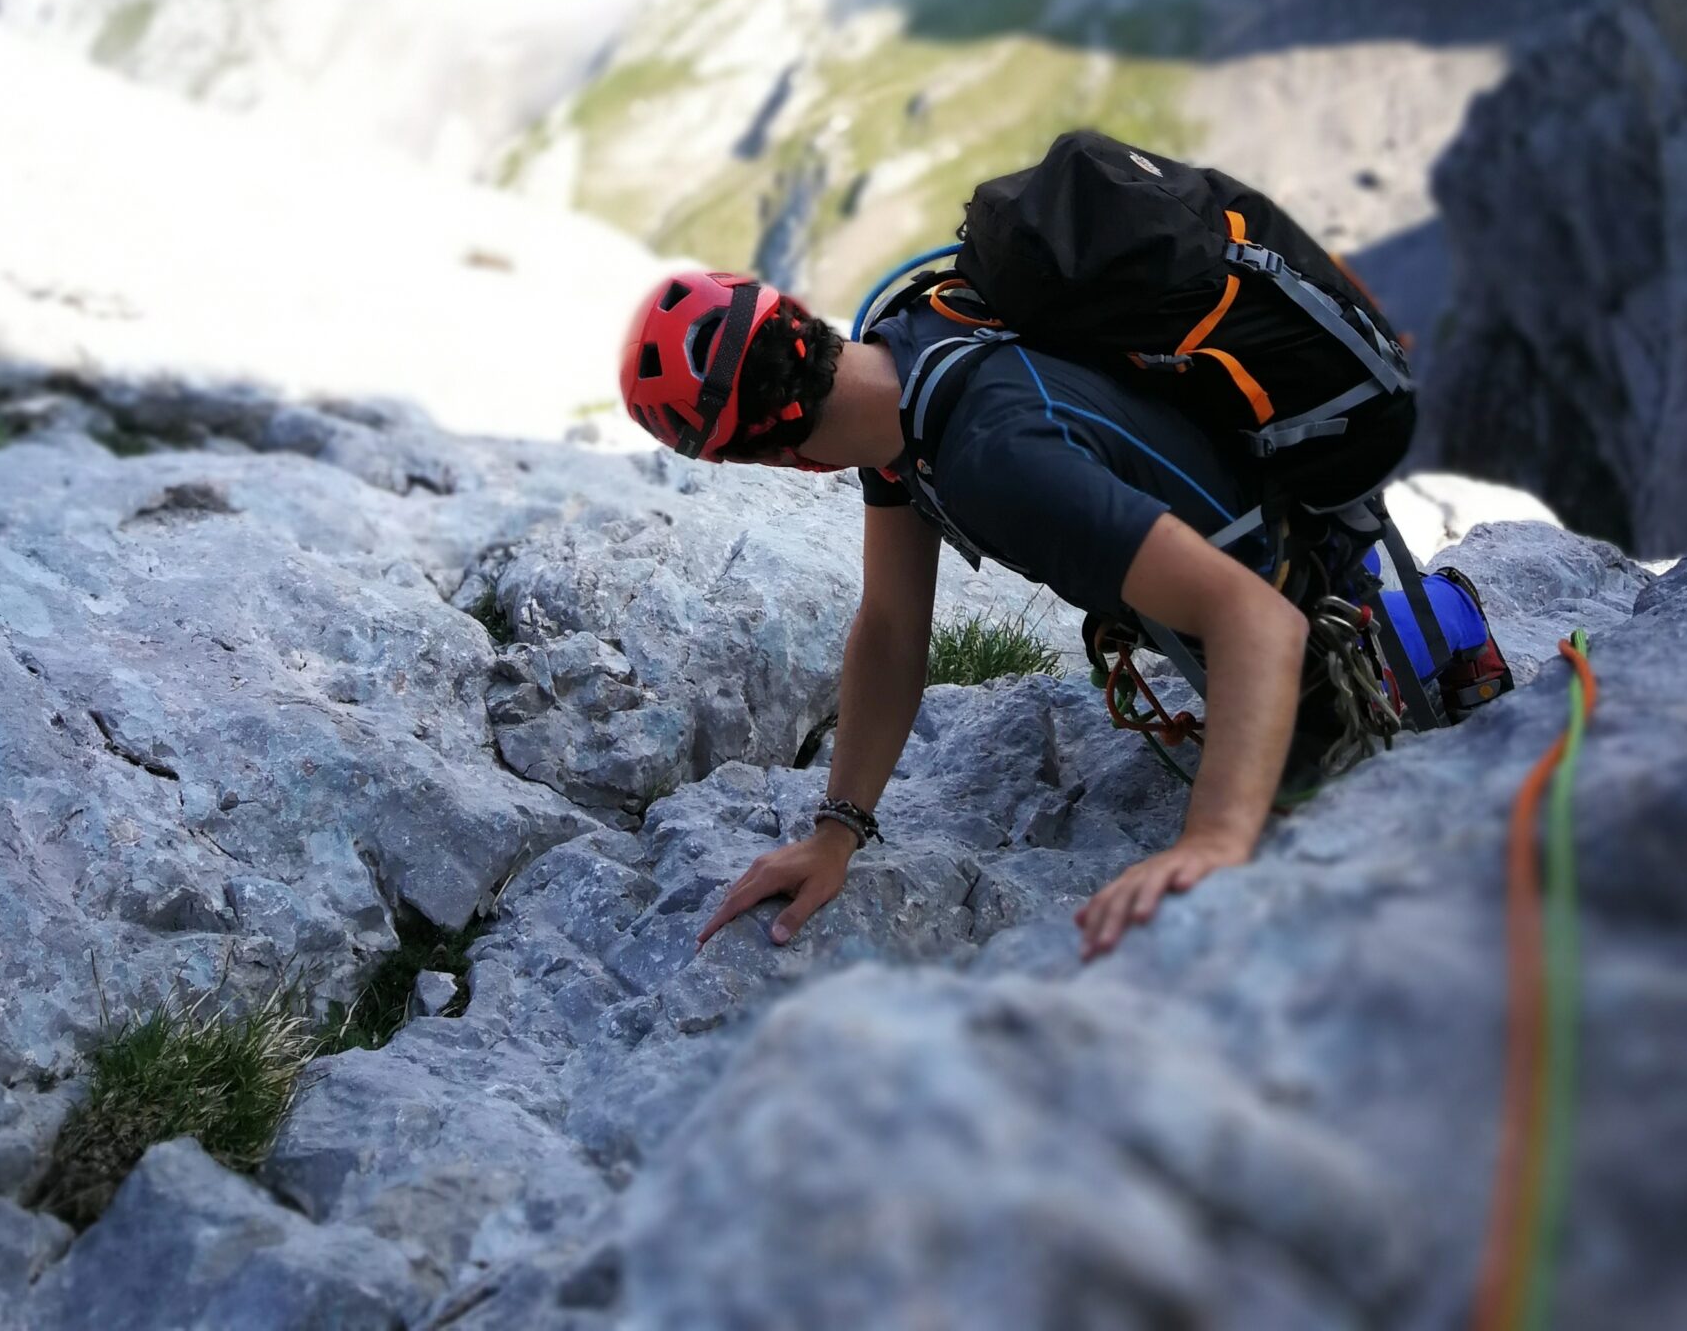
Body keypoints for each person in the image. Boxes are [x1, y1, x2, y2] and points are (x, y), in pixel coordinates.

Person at [619, 266, 1506, 962]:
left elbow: (1258, 624)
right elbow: (892, 626)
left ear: (771, 456)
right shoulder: (901, 365)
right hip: (1206, 541)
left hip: (1279, 567)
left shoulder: (991, 456)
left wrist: (1215, 841)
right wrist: (837, 831)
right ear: (799, 327)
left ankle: (1443, 617)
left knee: (1312, 758)